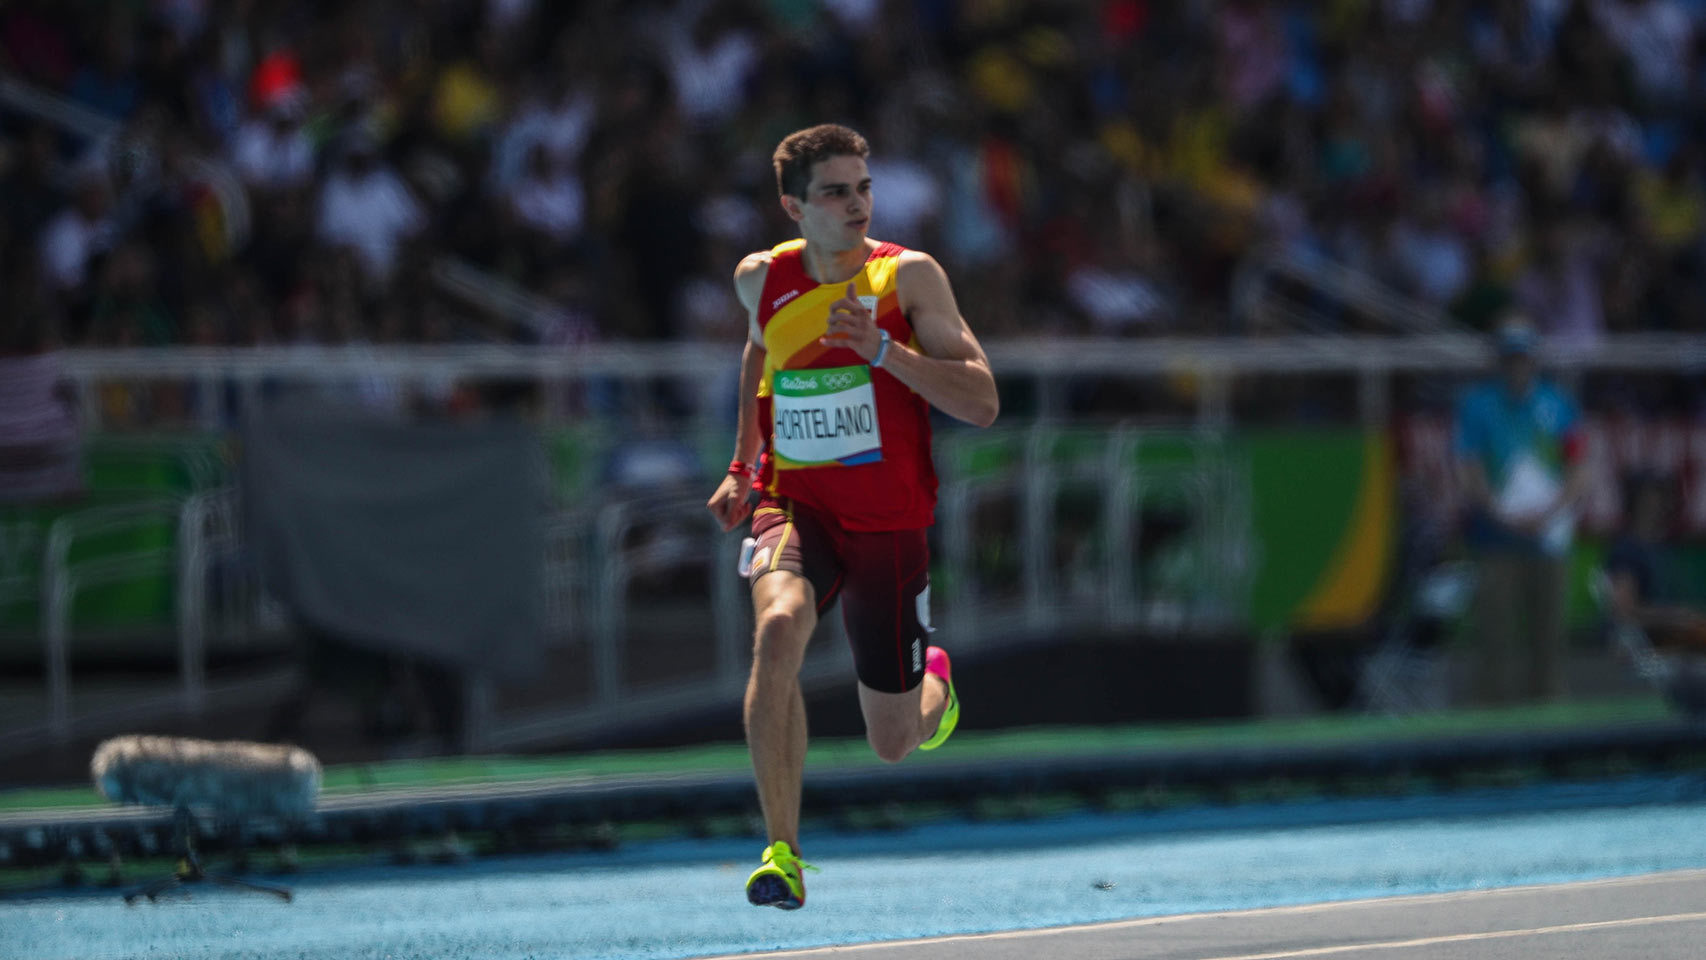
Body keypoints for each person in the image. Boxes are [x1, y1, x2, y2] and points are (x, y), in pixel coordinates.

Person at [706, 124, 999, 910]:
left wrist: (884, 353)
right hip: (796, 504)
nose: (857, 204)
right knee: (776, 630)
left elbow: (982, 400)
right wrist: (743, 464)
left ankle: (934, 681)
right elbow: (758, 352)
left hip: (888, 525)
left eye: (863, 187)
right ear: (793, 206)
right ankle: (783, 852)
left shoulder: (908, 279)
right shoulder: (758, 277)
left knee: (892, 743)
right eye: (836, 191)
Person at [1453, 314, 1586, 704]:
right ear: (1499, 361)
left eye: (1523, 358)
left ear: (1533, 360)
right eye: (1510, 359)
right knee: (1493, 640)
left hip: (1547, 539)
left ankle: (1549, 722)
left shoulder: (1558, 404)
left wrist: (1549, 514)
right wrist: (1501, 514)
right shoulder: (1478, 406)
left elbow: (1578, 467)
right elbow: (1468, 468)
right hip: (1496, 539)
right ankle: (1490, 730)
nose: (1517, 367)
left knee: (1550, 641)